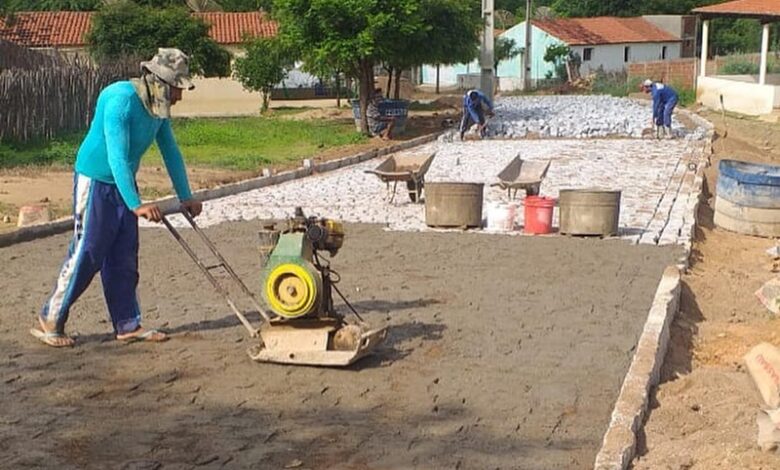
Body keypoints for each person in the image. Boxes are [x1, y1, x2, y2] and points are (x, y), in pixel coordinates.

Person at [30, 48, 202, 347]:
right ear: (158, 83)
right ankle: (51, 317)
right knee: (89, 250)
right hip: (96, 180)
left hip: (124, 184)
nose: (179, 96)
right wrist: (136, 205)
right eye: (177, 88)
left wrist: (186, 196)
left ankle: (127, 325)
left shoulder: (158, 110)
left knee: (124, 254)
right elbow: (117, 157)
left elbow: (170, 152)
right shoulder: (120, 100)